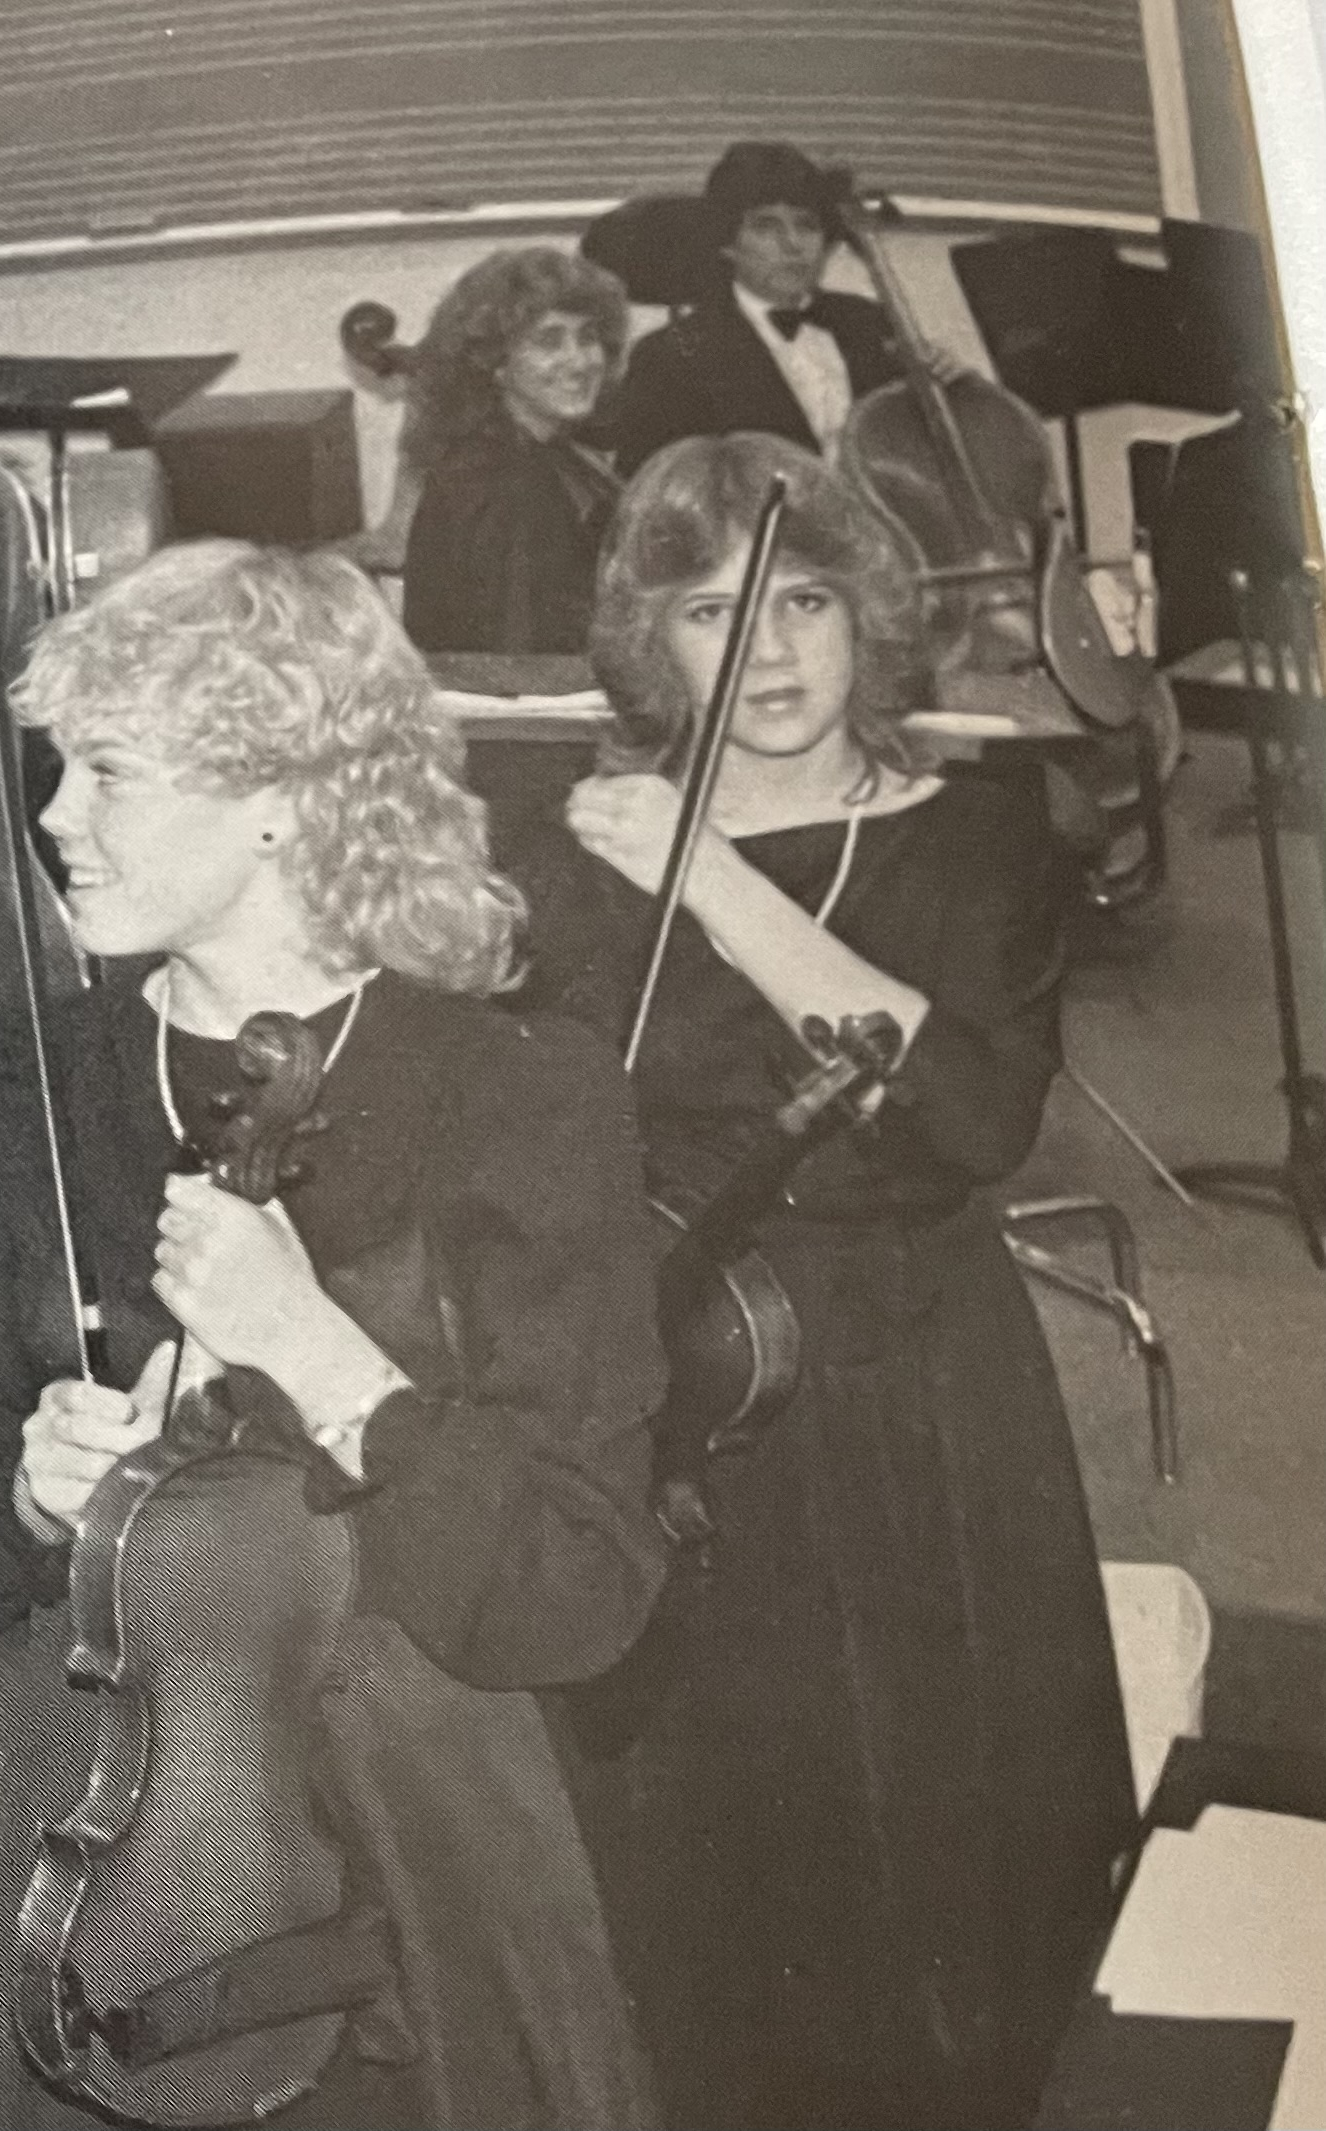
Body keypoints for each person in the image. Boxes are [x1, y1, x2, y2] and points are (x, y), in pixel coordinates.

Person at [0, 542, 670, 2129]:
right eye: (57, 770)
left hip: (419, 1843)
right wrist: (37, 1495)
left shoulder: (520, 1095)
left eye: (109, 772)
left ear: (279, 792)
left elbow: (582, 1586)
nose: (50, 817)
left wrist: (321, 1356)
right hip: (114, 1833)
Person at [516, 433, 1138, 2130]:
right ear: (659, 644)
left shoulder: (981, 839)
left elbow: (969, 1116)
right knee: (717, 1877)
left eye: (802, 596)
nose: (772, 650)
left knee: (945, 1874)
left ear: (867, 612)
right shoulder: (589, 855)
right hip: (683, 1395)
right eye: (715, 610)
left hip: (911, 1387)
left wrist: (706, 879)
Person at [594, 141, 905, 474]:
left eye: (806, 225)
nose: (793, 245)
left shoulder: (869, 321)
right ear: (728, 244)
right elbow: (653, 492)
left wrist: (948, 387)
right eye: (766, 226)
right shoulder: (668, 355)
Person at [399, 245, 631, 656]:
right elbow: (521, 662)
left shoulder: (547, 451)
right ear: (495, 361)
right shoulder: (497, 479)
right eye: (549, 341)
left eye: (588, 337)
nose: (578, 361)